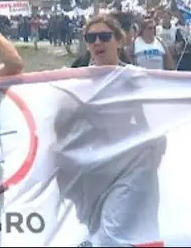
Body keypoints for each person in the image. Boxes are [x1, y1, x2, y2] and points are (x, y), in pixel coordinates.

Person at [60, 14, 165, 245]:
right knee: (95, 231)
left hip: (129, 167)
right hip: (90, 170)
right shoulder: (75, 78)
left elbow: (151, 122)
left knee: (112, 234)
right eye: (91, 38)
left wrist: (151, 155)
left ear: (119, 40)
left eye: (104, 36)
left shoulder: (134, 78)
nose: (97, 42)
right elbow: (61, 121)